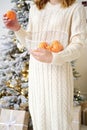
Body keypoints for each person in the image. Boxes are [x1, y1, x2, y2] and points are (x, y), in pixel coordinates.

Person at [3, 0, 86, 130]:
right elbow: (30, 42)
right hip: (37, 75)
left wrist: (54, 56)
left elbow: (78, 45)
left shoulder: (75, 8)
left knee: (61, 122)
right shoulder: (36, 7)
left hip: (59, 77)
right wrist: (17, 29)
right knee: (40, 122)